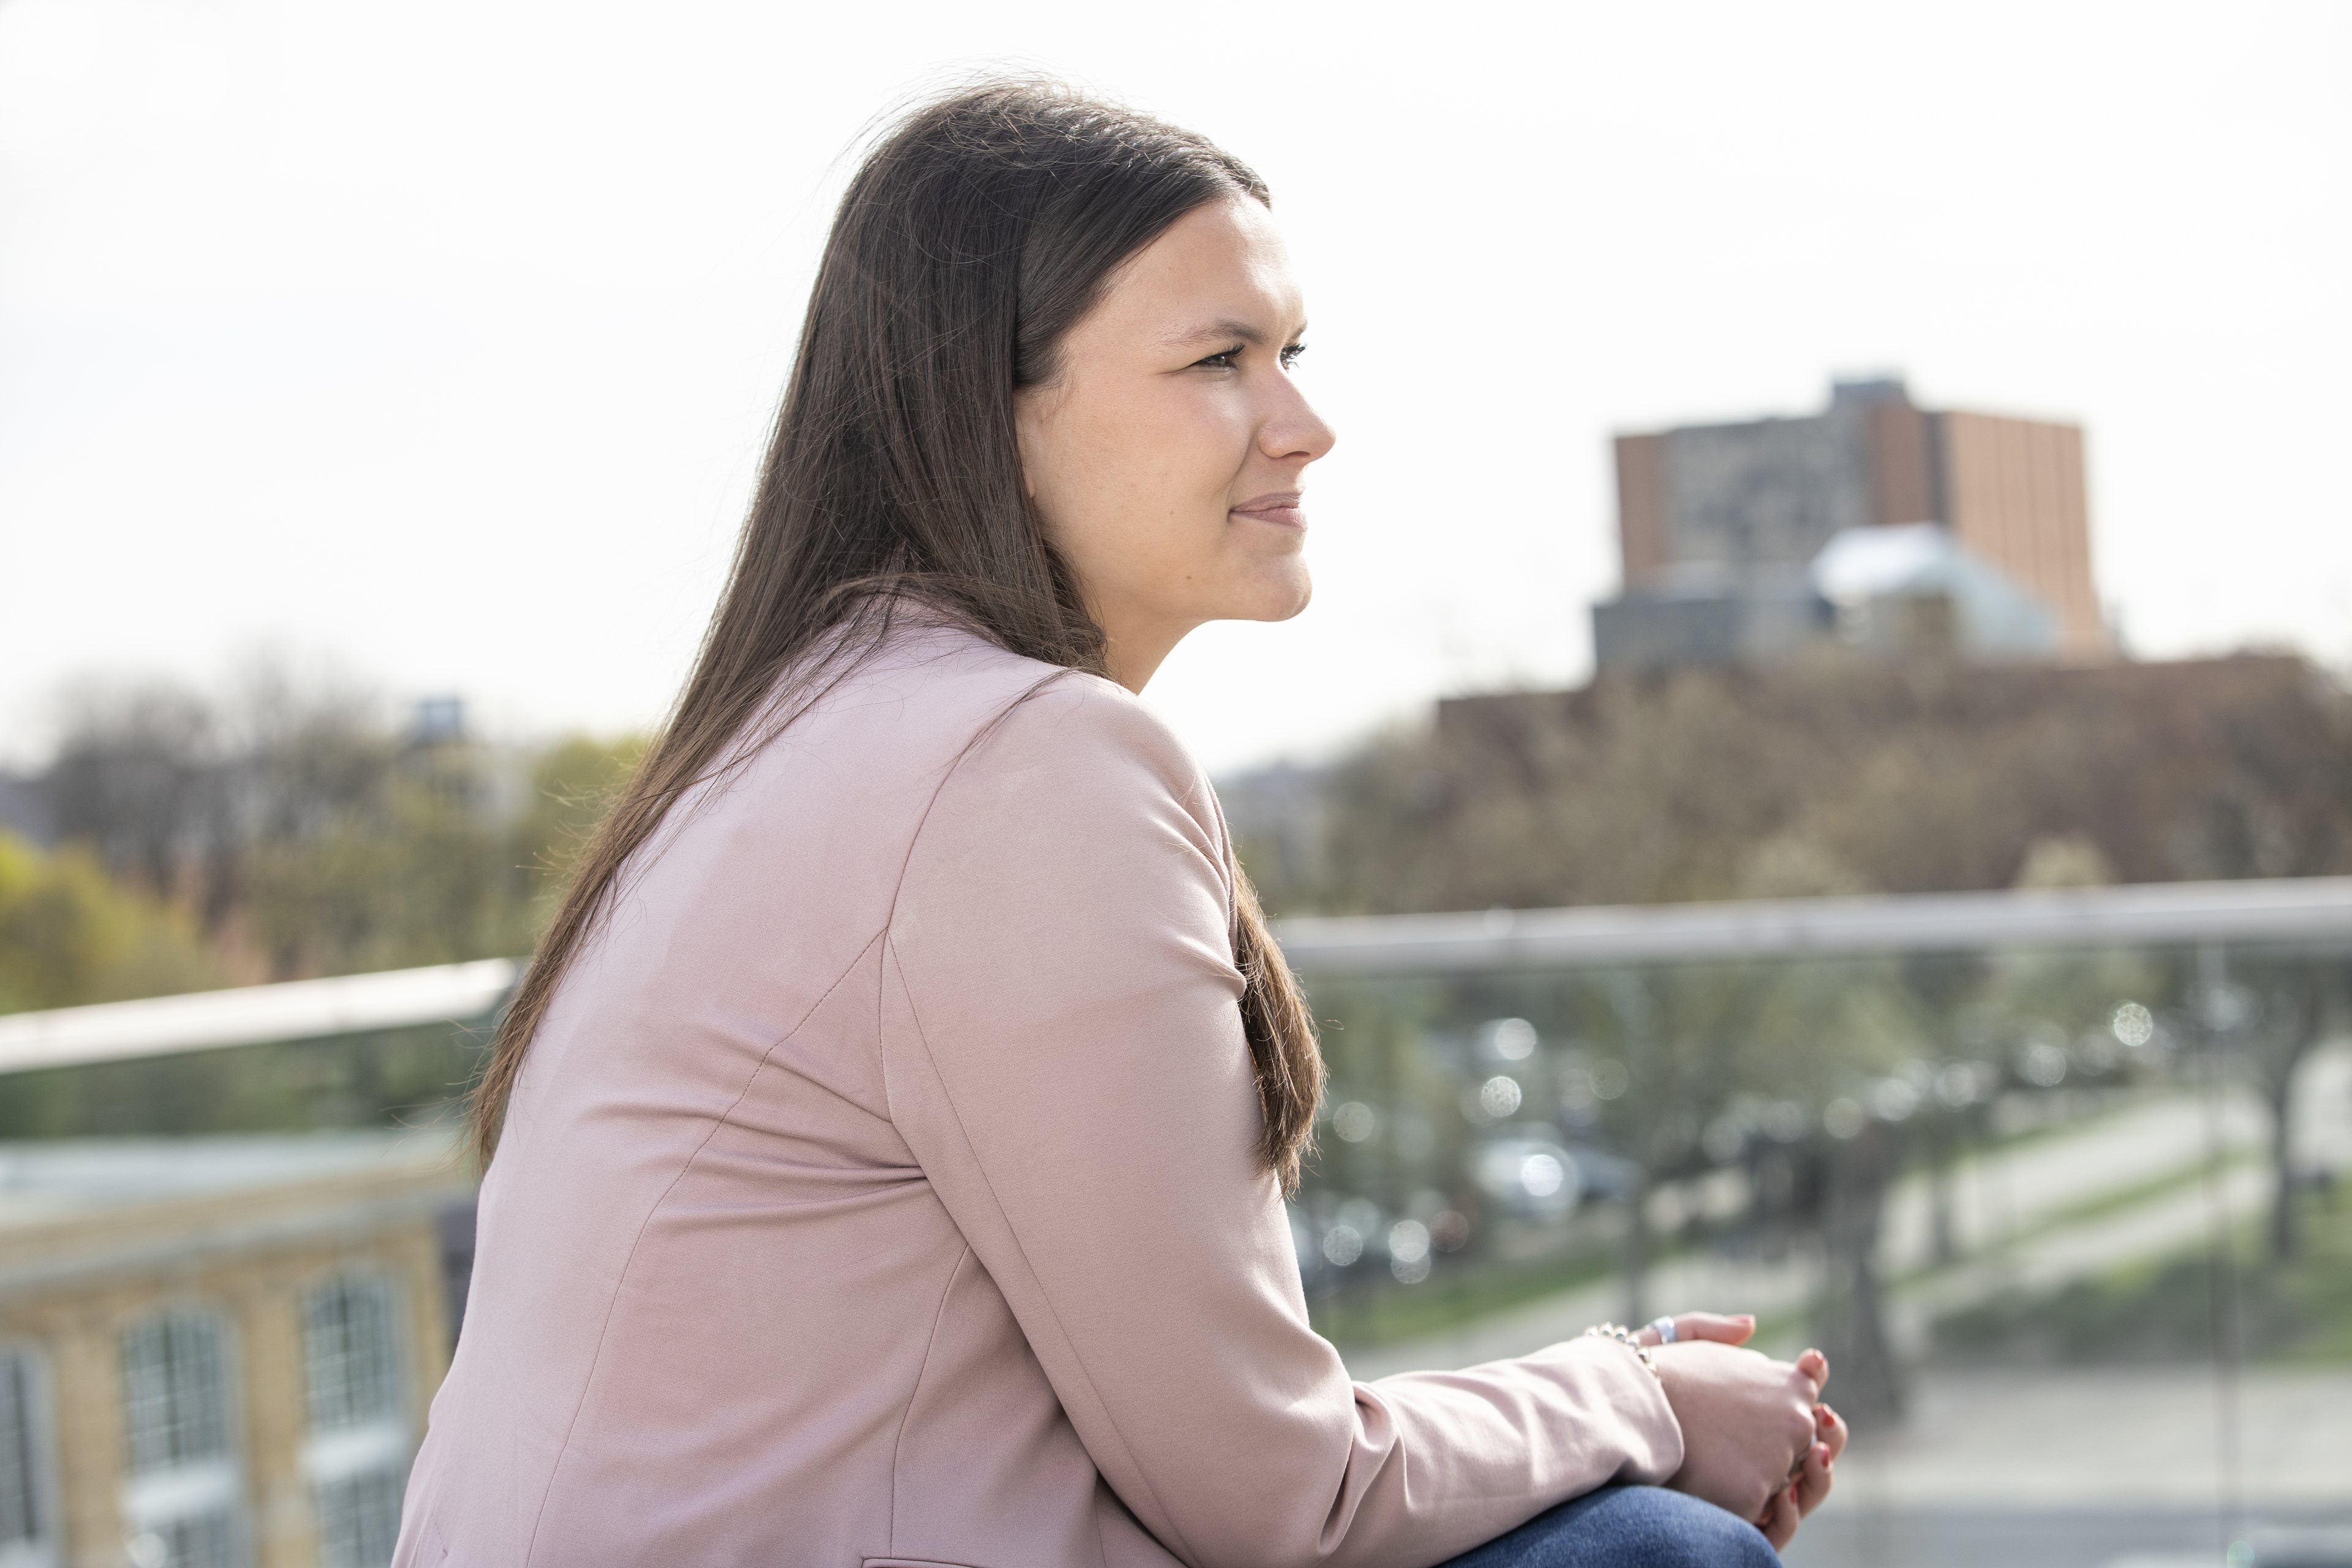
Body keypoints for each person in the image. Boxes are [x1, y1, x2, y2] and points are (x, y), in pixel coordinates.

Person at [392, 80, 1847, 1568]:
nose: (1307, 424)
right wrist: (1636, 1399)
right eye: (1221, 359)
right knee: (1657, 1554)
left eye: (1290, 352)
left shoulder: (787, 735)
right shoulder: (1025, 768)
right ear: (991, 413)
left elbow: (1196, 1441)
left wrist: (1601, 1401)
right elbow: (1283, 1499)